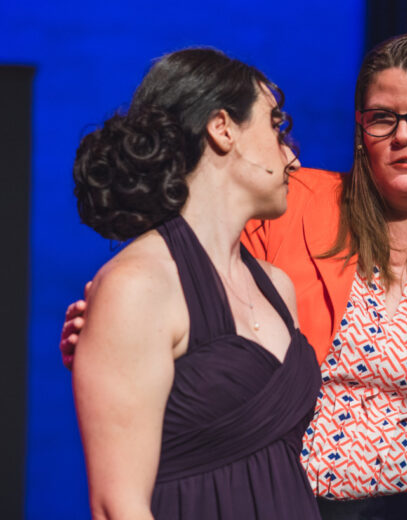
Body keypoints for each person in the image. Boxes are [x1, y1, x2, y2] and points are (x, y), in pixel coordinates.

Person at [63, 33, 407, 519]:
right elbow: (190, 276)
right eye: (383, 118)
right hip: (276, 498)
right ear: (361, 130)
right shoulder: (290, 205)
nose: (404, 135)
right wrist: (113, 334)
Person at [68, 48, 322, 519]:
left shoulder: (278, 288)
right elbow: (116, 505)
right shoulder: (139, 285)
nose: (293, 158)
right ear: (222, 128)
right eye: (276, 124)